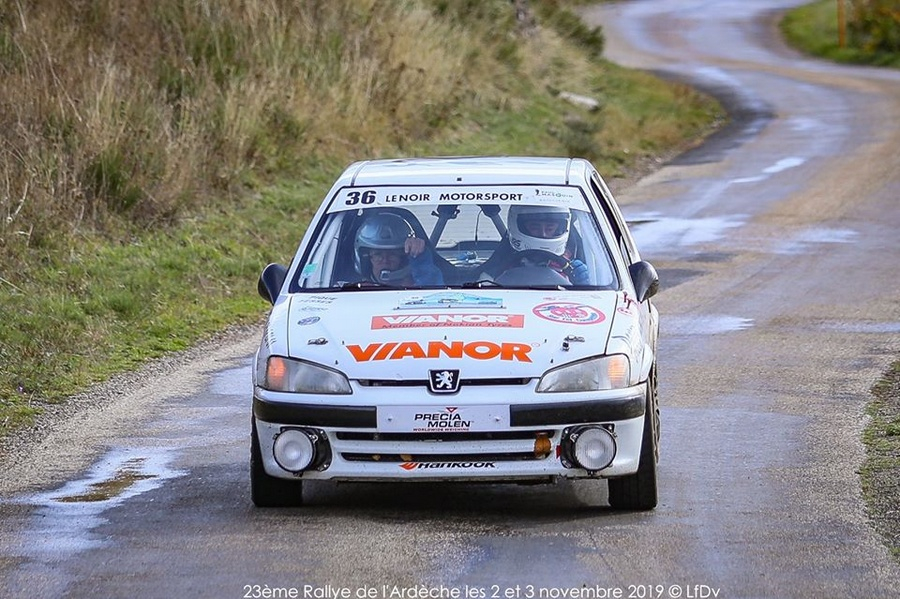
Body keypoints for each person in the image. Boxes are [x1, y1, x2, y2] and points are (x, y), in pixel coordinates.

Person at [479, 205, 590, 284]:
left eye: (550, 228)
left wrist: (586, 283)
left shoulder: (573, 264)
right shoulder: (498, 265)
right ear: (520, 226)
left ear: (560, 227)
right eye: (535, 227)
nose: (543, 234)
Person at [353, 213, 444, 286]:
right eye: (378, 254)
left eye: (392, 254)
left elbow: (435, 294)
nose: (385, 261)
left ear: (404, 259)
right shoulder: (352, 292)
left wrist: (420, 259)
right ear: (366, 259)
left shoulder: (418, 288)